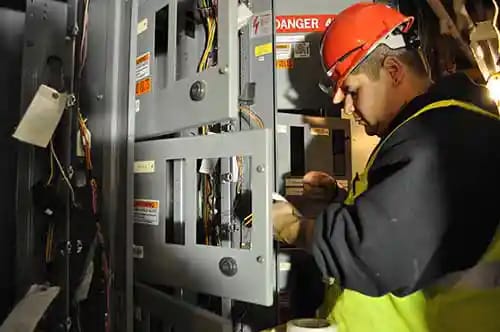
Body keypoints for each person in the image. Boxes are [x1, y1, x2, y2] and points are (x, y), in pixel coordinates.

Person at [272, 3, 500, 332]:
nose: (348, 109)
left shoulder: (446, 135)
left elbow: (375, 250)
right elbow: (419, 227)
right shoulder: (431, 130)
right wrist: (337, 202)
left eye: (352, 91)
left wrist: (291, 225)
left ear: (393, 71)